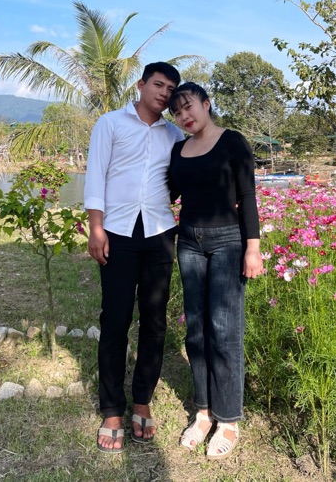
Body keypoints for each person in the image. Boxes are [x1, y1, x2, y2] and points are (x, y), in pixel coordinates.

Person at [84, 62, 184, 453]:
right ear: (141, 85)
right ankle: (112, 409)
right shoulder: (110, 123)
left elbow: (184, 178)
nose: (164, 93)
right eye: (158, 84)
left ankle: (142, 399)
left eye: (170, 89)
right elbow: (96, 176)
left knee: (155, 321)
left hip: (159, 232)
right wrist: (96, 228)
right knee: (115, 318)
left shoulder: (174, 134)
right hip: (118, 232)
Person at [168, 82, 263, 460]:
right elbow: (168, 193)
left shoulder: (233, 142)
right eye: (177, 112)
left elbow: (248, 195)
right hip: (189, 241)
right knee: (196, 329)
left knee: (225, 329)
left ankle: (229, 420)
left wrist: (253, 248)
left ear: (206, 104)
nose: (184, 116)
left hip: (228, 242)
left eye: (188, 106)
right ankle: (204, 412)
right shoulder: (179, 149)